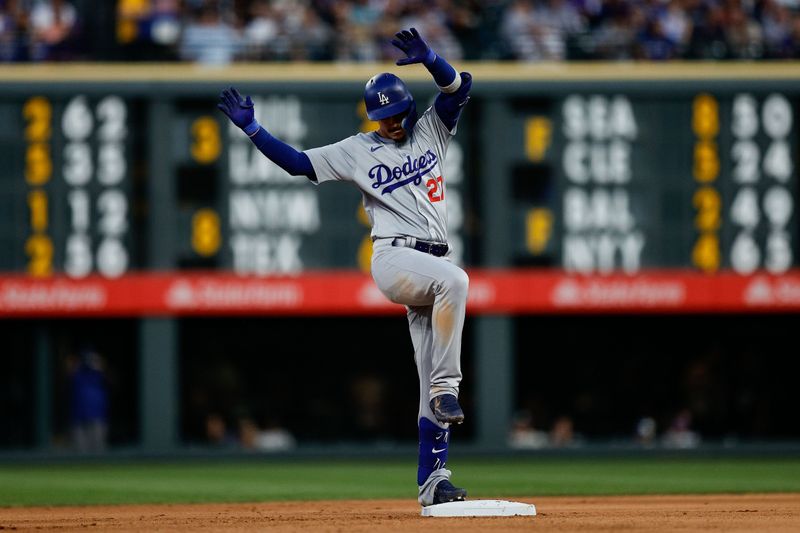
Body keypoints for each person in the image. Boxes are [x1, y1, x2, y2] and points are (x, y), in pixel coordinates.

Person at [217, 26, 472, 507]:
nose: (391, 124)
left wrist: (433, 59)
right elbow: (297, 163)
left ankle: (432, 482)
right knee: (456, 284)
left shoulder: (432, 131)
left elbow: (459, 88)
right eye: (382, 117)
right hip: (395, 258)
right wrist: (253, 129)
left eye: (395, 114)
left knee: (426, 368)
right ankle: (447, 387)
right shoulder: (358, 149)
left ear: (407, 108)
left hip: (430, 263)